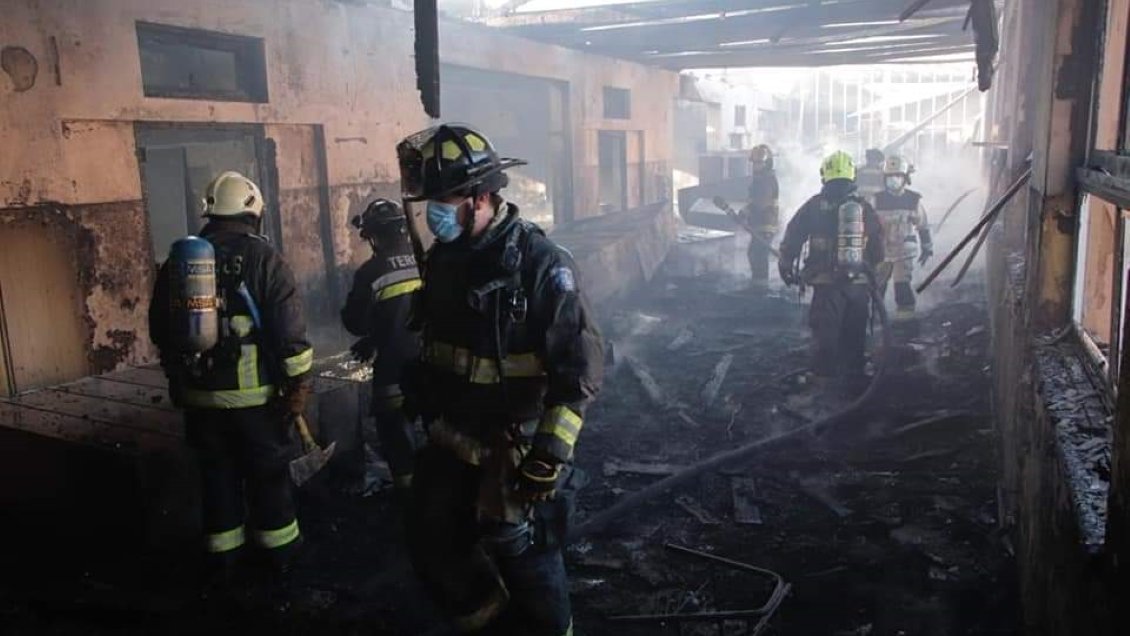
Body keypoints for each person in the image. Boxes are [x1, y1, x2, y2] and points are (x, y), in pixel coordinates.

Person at [396, 123, 604, 635]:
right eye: (431, 202)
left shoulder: (541, 265)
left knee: (520, 546)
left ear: (482, 196)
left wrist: (550, 453)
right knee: (432, 537)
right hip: (453, 436)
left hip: (515, 442)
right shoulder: (445, 260)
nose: (435, 214)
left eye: (444, 201)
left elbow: (579, 369)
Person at [148, 171, 313, 581]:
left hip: (200, 400)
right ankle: (280, 557)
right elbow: (289, 332)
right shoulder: (265, 258)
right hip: (255, 402)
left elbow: (159, 328)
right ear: (252, 213)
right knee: (268, 478)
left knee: (216, 477)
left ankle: (224, 560)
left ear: (211, 213)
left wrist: (178, 377)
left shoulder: (180, 262)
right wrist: (299, 384)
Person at [778, 152, 884, 391]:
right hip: (858, 285)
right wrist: (871, 272)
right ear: (852, 175)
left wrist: (786, 263)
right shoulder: (863, 207)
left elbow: (793, 235)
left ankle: (823, 383)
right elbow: (878, 246)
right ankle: (853, 378)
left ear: (824, 175)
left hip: (826, 284)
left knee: (825, 332)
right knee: (855, 332)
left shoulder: (814, 206)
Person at [340, 198, 422, 494]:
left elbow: (356, 322)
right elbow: (414, 316)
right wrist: (375, 337)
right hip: (433, 366)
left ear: (373, 236)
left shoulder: (371, 272)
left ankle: (407, 496)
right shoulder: (426, 260)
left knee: (395, 434)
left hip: (393, 372)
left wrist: (372, 335)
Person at [873, 155, 933, 320]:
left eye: (897, 176)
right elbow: (868, 226)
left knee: (902, 286)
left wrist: (927, 248)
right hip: (881, 252)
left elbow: (923, 226)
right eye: (890, 176)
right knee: (877, 288)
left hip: (904, 253)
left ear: (905, 178)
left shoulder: (913, 201)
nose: (893, 180)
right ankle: (876, 319)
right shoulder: (876, 200)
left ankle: (905, 321)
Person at [741, 144, 780, 291]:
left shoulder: (766, 180)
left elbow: (761, 202)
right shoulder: (760, 179)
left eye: (758, 163)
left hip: (766, 224)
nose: (755, 166)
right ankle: (758, 284)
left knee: (758, 254)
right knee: (754, 253)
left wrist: (745, 212)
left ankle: (760, 288)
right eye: (754, 163)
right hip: (760, 224)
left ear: (766, 163)